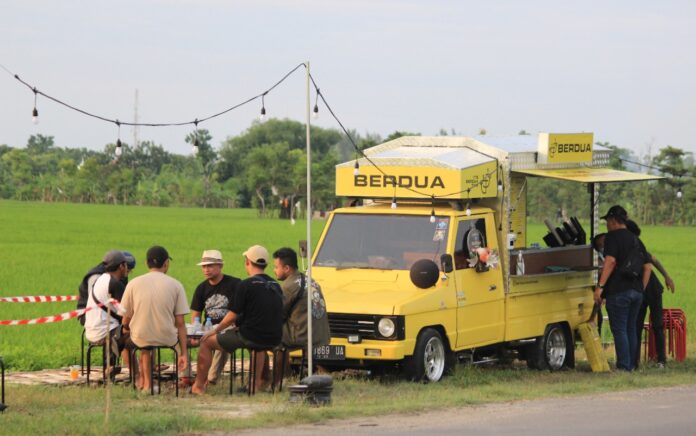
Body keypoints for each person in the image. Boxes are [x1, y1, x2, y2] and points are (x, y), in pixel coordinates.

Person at [191, 245, 283, 395]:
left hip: (251, 336)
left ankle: (198, 386)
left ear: (247, 262)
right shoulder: (275, 285)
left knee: (207, 342)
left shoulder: (246, 285)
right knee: (258, 347)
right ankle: (256, 384)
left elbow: (232, 316)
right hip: (274, 337)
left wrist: (215, 330)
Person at [121, 246, 189, 392]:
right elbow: (180, 323)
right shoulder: (176, 285)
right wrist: (183, 353)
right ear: (166, 264)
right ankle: (177, 379)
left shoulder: (133, 284)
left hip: (141, 337)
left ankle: (146, 384)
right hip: (168, 338)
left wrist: (126, 327)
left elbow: (125, 319)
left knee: (144, 344)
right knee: (150, 339)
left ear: (146, 263)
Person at [595, 205, 651, 371]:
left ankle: (624, 367)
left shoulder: (613, 237)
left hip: (618, 291)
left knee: (619, 329)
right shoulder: (636, 239)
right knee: (631, 329)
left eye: (607, 221)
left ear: (613, 221)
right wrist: (641, 288)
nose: (607, 225)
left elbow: (610, 262)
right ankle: (631, 365)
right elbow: (648, 267)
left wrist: (600, 287)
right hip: (636, 291)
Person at [271, 247, 330, 384]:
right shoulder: (312, 281)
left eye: (276, 267)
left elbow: (278, 313)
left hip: (304, 335)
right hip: (321, 334)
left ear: (286, 268)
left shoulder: (288, 286)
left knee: (272, 338)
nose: (274, 270)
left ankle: (278, 380)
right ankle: (305, 373)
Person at [625, 220, 676, 369]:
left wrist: (667, 277)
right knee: (636, 326)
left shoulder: (637, 248)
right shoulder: (624, 249)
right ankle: (634, 362)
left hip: (652, 290)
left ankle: (661, 360)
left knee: (658, 325)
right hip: (637, 293)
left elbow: (654, 261)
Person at [188, 250, 240, 385]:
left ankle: (211, 379)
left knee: (222, 339)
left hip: (228, 327)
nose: (206, 270)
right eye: (204, 266)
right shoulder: (201, 288)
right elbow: (196, 314)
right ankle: (185, 377)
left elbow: (239, 311)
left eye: (210, 266)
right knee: (180, 339)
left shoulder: (235, 284)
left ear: (220, 266)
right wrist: (194, 332)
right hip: (207, 328)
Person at [84, 250, 130, 376]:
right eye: (126, 265)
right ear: (121, 266)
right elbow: (127, 313)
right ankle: (140, 375)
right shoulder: (115, 284)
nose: (128, 268)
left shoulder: (101, 279)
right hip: (105, 333)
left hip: (90, 331)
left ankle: (111, 366)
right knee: (139, 334)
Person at [77, 250, 136, 325]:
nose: (127, 274)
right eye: (127, 270)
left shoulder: (119, 276)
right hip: (90, 313)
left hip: (108, 310)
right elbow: (96, 302)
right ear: (121, 267)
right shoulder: (96, 277)